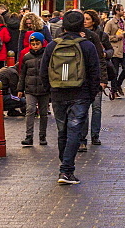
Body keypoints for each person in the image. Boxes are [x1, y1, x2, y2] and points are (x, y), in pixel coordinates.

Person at [39, 10, 100, 185]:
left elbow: (44, 71)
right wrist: (91, 93)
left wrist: (50, 90)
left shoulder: (53, 45)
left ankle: (64, 166)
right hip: (80, 93)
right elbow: (94, 72)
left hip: (58, 92)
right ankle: (66, 170)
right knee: (74, 131)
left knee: (62, 131)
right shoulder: (87, 46)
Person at [79, 10, 109, 149]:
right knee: (83, 109)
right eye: (83, 19)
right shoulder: (77, 35)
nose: (85, 21)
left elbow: (101, 59)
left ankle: (95, 135)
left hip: (95, 77)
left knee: (96, 108)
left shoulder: (98, 35)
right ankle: (82, 138)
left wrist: (103, 79)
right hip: (81, 78)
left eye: (87, 19)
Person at [18, 33, 49, 147]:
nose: (35, 46)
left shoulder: (46, 56)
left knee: (44, 113)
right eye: (33, 44)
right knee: (30, 110)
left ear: (42, 43)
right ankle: (29, 136)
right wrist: (20, 89)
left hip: (44, 89)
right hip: (30, 88)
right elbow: (23, 74)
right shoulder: (27, 57)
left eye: (37, 44)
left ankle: (42, 136)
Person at [104, 5, 125, 95]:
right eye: (122, 10)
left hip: (124, 48)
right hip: (115, 49)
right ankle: (114, 90)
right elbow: (105, 36)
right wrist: (116, 37)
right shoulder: (110, 23)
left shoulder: (124, 23)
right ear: (117, 11)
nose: (123, 11)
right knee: (115, 71)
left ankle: (118, 84)